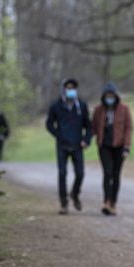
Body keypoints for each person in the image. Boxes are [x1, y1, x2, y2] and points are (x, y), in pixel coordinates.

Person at [46, 78, 92, 214]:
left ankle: (75, 194)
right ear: (64, 89)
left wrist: (86, 140)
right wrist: (58, 135)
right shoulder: (56, 106)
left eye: (73, 88)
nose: (70, 90)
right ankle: (64, 203)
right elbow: (49, 124)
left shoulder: (81, 106)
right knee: (62, 173)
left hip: (77, 145)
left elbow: (88, 126)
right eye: (68, 88)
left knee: (80, 173)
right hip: (62, 145)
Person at [91, 82, 133, 216]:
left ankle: (113, 202)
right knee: (107, 173)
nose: (110, 98)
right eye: (107, 95)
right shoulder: (99, 109)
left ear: (116, 96)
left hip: (119, 146)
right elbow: (93, 127)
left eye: (112, 95)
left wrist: (126, 147)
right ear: (103, 96)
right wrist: (86, 139)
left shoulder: (124, 109)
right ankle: (106, 201)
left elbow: (128, 128)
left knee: (116, 175)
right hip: (104, 145)